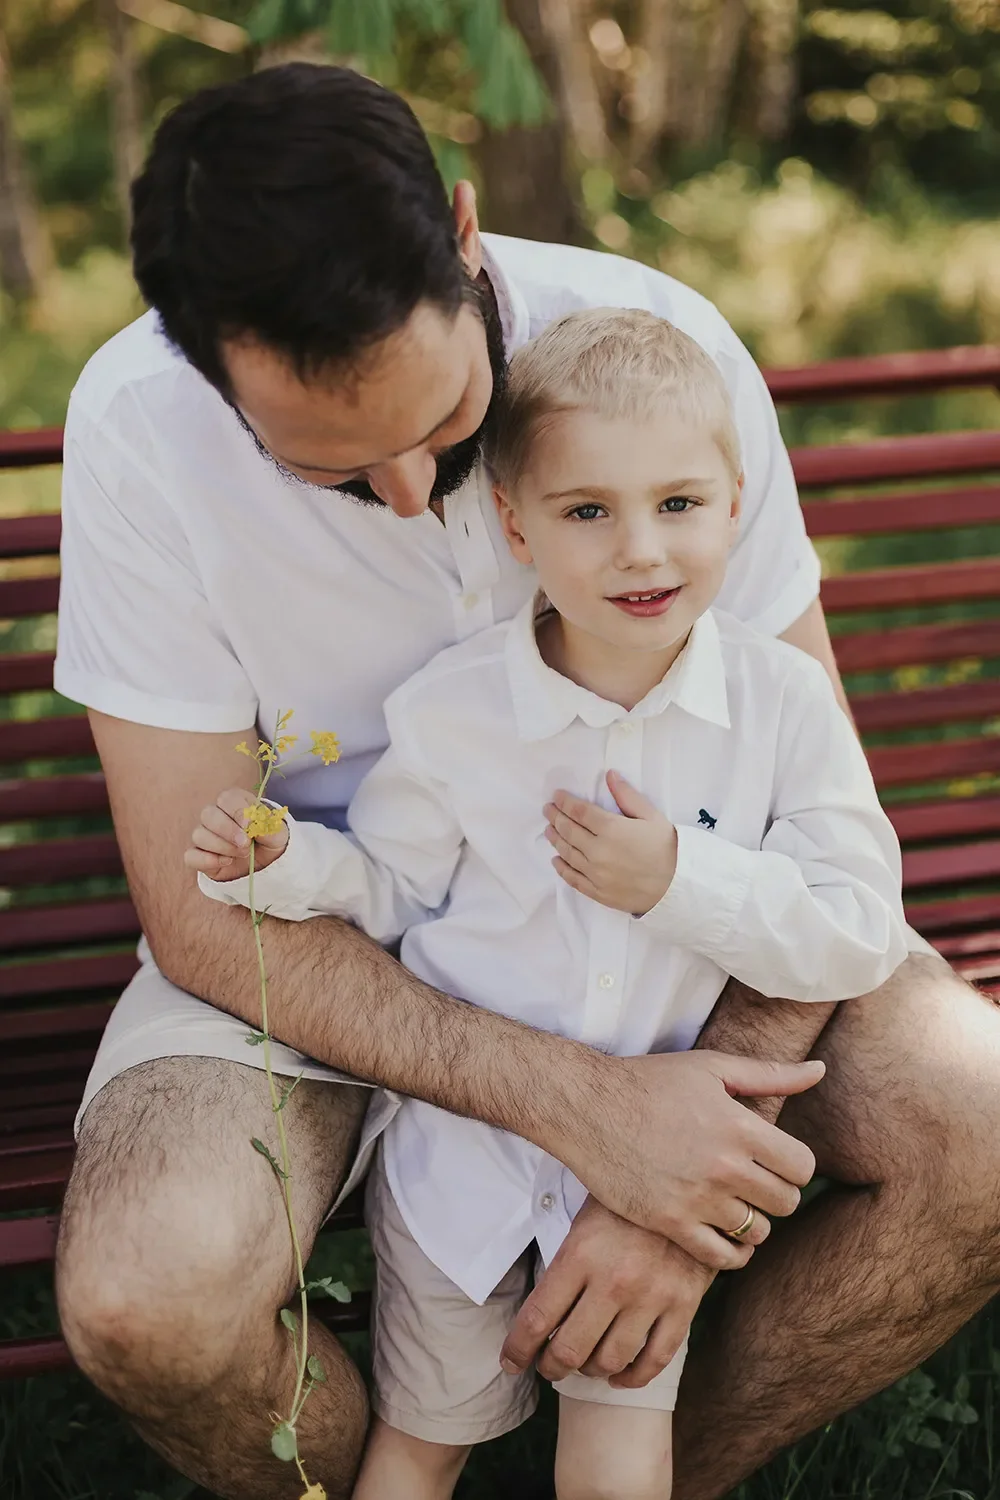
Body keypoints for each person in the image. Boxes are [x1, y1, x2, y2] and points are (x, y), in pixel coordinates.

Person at [50, 62, 1000, 1500]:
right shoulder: (138, 426)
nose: (408, 497)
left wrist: (683, 1179)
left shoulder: (660, 353)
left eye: (445, 426)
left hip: (676, 924)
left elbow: (808, 802)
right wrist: (588, 1112)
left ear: (463, 231)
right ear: (203, 365)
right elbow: (203, 915)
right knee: (149, 1302)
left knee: (981, 1131)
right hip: (324, 921)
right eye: (331, 471)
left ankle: (655, 1464)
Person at [189, 308, 909, 1500]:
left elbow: (858, 928)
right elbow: (392, 889)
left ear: (736, 505)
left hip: (653, 1174)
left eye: (678, 503)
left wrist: (679, 881)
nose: (641, 550)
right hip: (465, 1161)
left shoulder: (782, 707)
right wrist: (287, 865)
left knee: (618, 1452)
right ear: (516, 525)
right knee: (423, 1438)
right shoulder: (453, 712)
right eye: (587, 512)